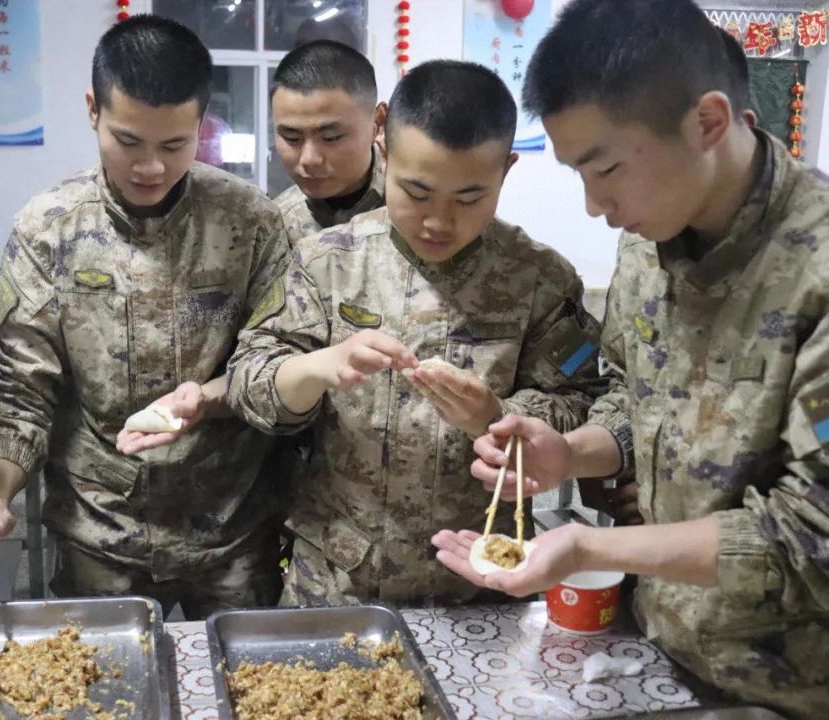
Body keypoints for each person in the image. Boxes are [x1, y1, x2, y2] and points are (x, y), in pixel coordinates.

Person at [433, 1, 829, 716]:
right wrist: (569, 453)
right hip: (654, 652)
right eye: (577, 175)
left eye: (606, 168)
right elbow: (631, 394)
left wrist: (592, 549)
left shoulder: (816, 270)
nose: (595, 206)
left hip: (786, 687)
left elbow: (812, 537)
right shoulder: (648, 242)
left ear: (708, 122)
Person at [0, 15, 291, 620]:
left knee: (243, 674)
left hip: (231, 531)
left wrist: (207, 399)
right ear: (93, 111)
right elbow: (22, 391)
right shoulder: (49, 229)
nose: (150, 167)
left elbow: (274, 364)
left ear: (202, 125)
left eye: (174, 146)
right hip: (99, 534)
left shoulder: (251, 222)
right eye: (128, 141)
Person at [228, 60, 604, 607]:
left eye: (468, 198)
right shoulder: (329, 262)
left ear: (506, 170)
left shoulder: (540, 280)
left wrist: (496, 418)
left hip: (482, 579)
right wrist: (314, 368)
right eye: (417, 192)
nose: (438, 221)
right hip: (336, 581)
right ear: (383, 149)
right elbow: (247, 381)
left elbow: (583, 402)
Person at [271, 40, 386, 245]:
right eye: (292, 139)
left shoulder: (418, 207)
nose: (309, 159)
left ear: (377, 122)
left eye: (331, 138)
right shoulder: (275, 229)